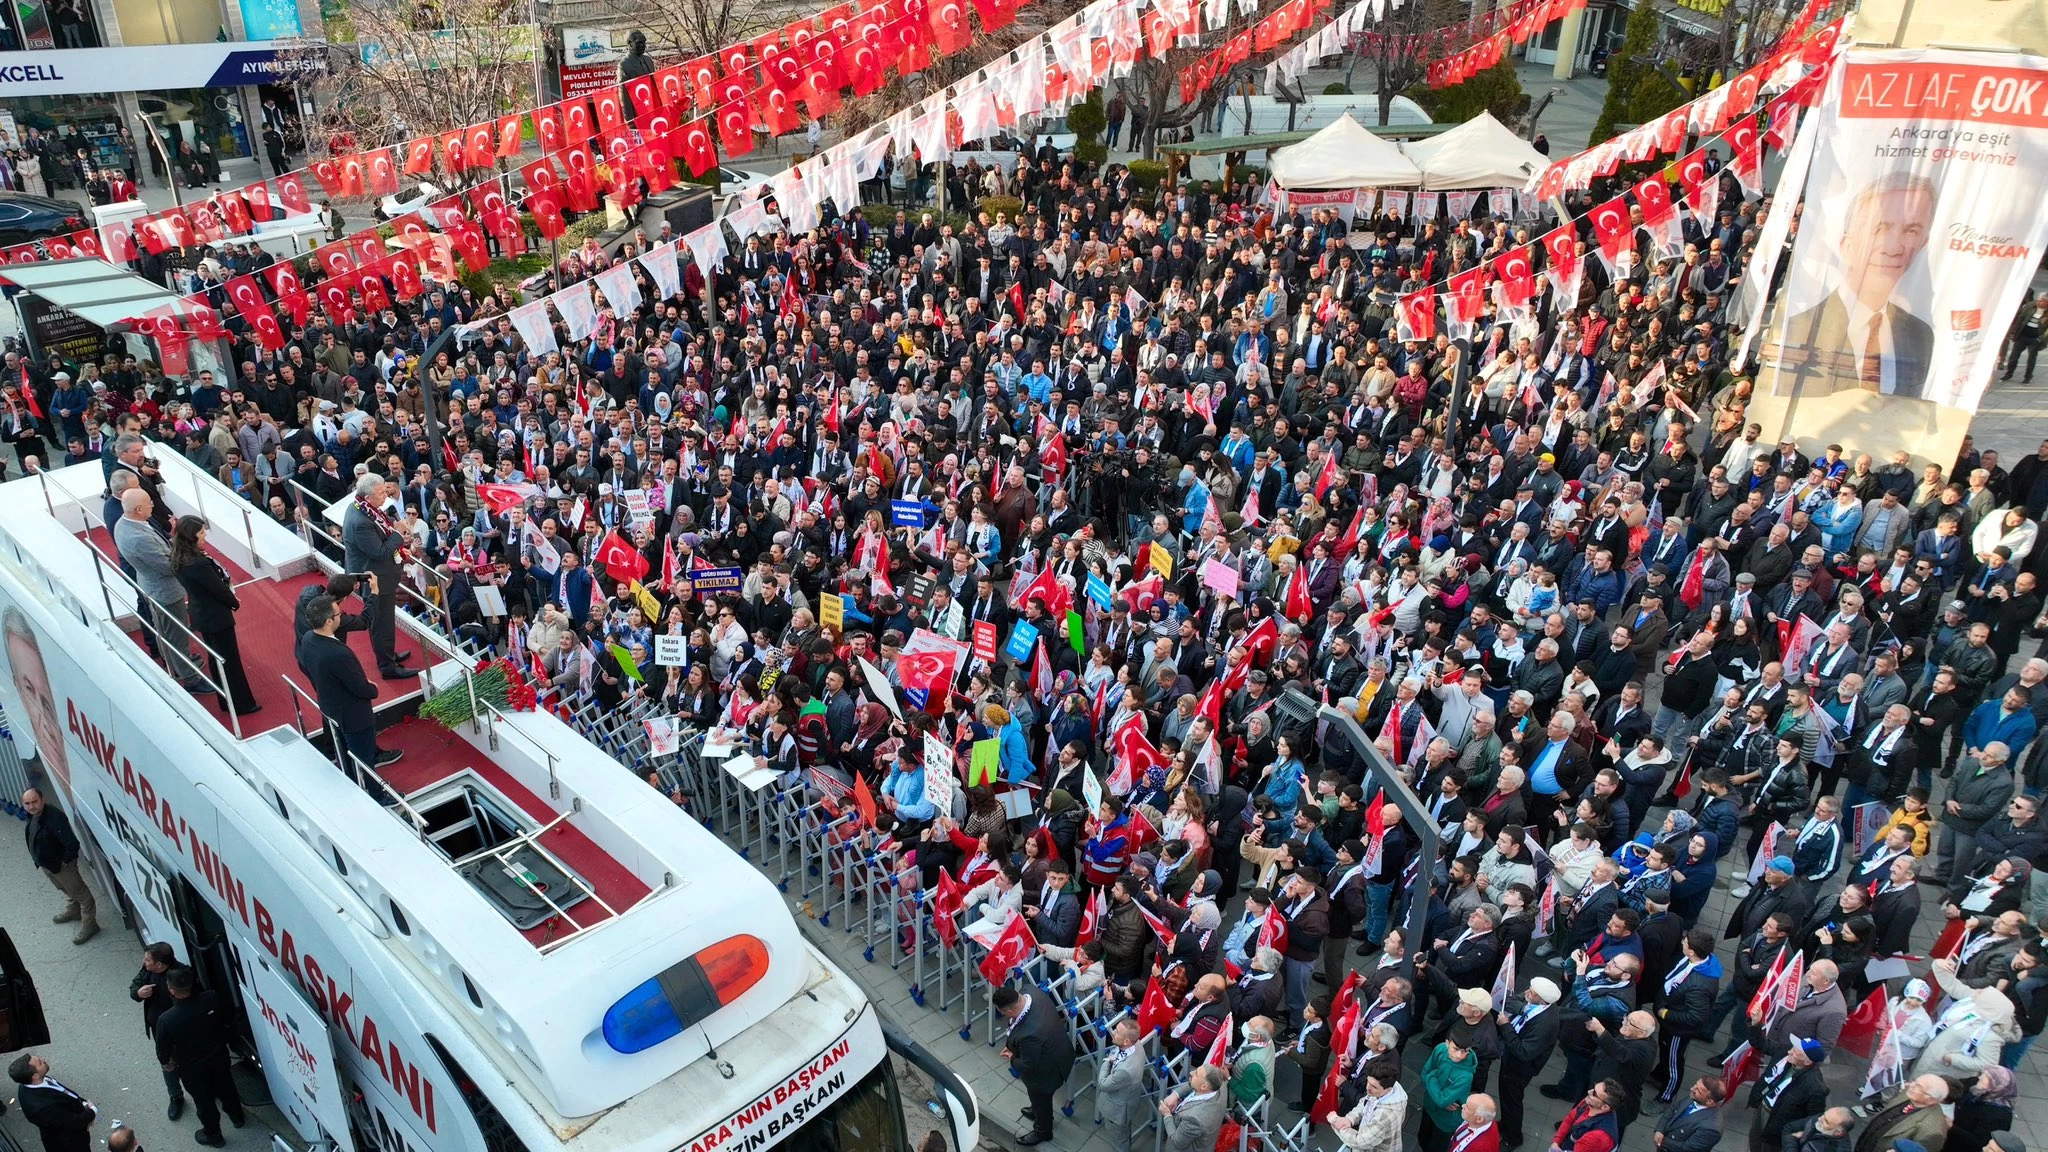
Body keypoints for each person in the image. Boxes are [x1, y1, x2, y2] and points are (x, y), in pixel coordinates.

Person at [1762, 172, 1937, 400]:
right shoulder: (1800, 327)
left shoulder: (1920, 336)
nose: (1893, 248)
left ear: (1923, 245)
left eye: (1911, 231)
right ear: (1847, 244)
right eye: (1880, 229)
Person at [112, 488, 213, 694]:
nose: (153, 505)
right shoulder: (138, 538)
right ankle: (190, 679)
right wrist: (188, 551)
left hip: (154, 587)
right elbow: (168, 566)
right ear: (139, 509)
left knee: (167, 632)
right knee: (176, 635)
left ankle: (178, 665)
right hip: (164, 592)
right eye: (149, 502)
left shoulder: (125, 524)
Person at [296, 595, 401, 772]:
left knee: (346, 755)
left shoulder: (307, 639)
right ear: (329, 621)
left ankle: (356, 783)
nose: (341, 616)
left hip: (333, 710)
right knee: (364, 760)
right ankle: (375, 795)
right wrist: (372, 688)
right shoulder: (337, 654)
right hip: (354, 717)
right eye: (339, 614)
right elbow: (361, 688)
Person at [172, 517, 259, 715]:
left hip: (202, 614)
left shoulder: (179, 557)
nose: (205, 535)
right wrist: (234, 602)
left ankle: (226, 701)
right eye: (202, 532)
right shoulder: (198, 563)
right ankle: (241, 704)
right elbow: (218, 589)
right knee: (230, 661)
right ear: (191, 536)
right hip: (216, 617)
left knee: (216, 658)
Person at [153, 966, 244, 1147]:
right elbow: (229, 1016)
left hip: (191, 1068)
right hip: (219, 1057)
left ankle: (214, 1136)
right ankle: (237, 1117)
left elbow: (162, 1050)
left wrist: (166, 1063)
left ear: (171, 989)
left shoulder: (167, 1019)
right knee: (227, 1088)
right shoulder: (211, 997)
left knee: (204, 1102)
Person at [341, 474, 418, 680]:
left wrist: (398, 546)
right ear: (367, 498)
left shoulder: (364, 509)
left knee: (384, 622)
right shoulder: (360, 522)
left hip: (382, 576)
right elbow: (380, 552)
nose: (387, 495)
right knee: (381, 623)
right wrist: (398, 535)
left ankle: (388, 655)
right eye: (382, 493)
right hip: (376, 580)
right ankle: (387, 666)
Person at [994, 983, 1074, 1146]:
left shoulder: (1030, 1034)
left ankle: (1043, 1131)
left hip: (1046, 1072)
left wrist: (1011, 1057)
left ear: (1010, 1012)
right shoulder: (1030, 991)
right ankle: (1038, 1110)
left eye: (1002, 1013)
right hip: (1057, 1050)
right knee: (1039, 1102)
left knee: (1040, 1098)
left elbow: (1027, 1066)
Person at [22, 788, 97, 944]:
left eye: (34, 802)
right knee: (65, 888)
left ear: (42, 799)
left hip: (61, 866)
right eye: (27, 803)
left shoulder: (54, 818)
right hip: (48, 865)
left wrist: (65, 864)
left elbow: (72, 843)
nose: (31, 806)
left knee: (83, 896)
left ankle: (90, 925)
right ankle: (74, 910)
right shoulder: (34, 815)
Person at [131, 942, 190, 1121]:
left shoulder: (182, 974)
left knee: (189, 1063)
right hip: (160, 1032)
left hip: (181, 1033)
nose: (144, 962)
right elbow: (134, 987)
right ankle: (176, 1096)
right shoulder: (148, 971)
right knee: (167, 1065)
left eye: (148, 960)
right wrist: (138, 993)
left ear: (159, 964)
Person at [7, 1053, 98, 1152]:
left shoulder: (33, 1082)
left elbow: (64, 1092)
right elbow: (74, 1122)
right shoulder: (42, 1107)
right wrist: (92, 1111)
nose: (44, 1059)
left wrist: (83, 1105)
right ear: (35, 1076)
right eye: (40, 1062)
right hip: (69, 1143)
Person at [1094, 1017, 1146, 1152]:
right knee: (1124, 1135)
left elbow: (1103, 1084)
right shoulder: (1136, 1043)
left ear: (1127, 1041)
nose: (1113, 1033)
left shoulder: (1125, 1070)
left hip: (1118, 1111)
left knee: (1119, 1144)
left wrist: (1107, 1061)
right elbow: (1116, 1051)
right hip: (1128, 1102)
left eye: (1117, 1033)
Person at [1159, 1064, 1229, 1152]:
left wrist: (1167, 1115)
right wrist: (1175, 1095)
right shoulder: (1220, 1085)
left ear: (1204, 1086)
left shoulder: (1194, 1119)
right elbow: (1194, 1083)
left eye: (1196, 1074)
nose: (1191, 1073)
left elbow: (1177, 1142)